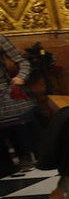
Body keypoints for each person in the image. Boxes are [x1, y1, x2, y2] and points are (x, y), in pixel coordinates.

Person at [0, 33, 39, 172]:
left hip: (4, 91)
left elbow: (22, 61)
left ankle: (25, 157)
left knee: (17, 123)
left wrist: (21, 77)